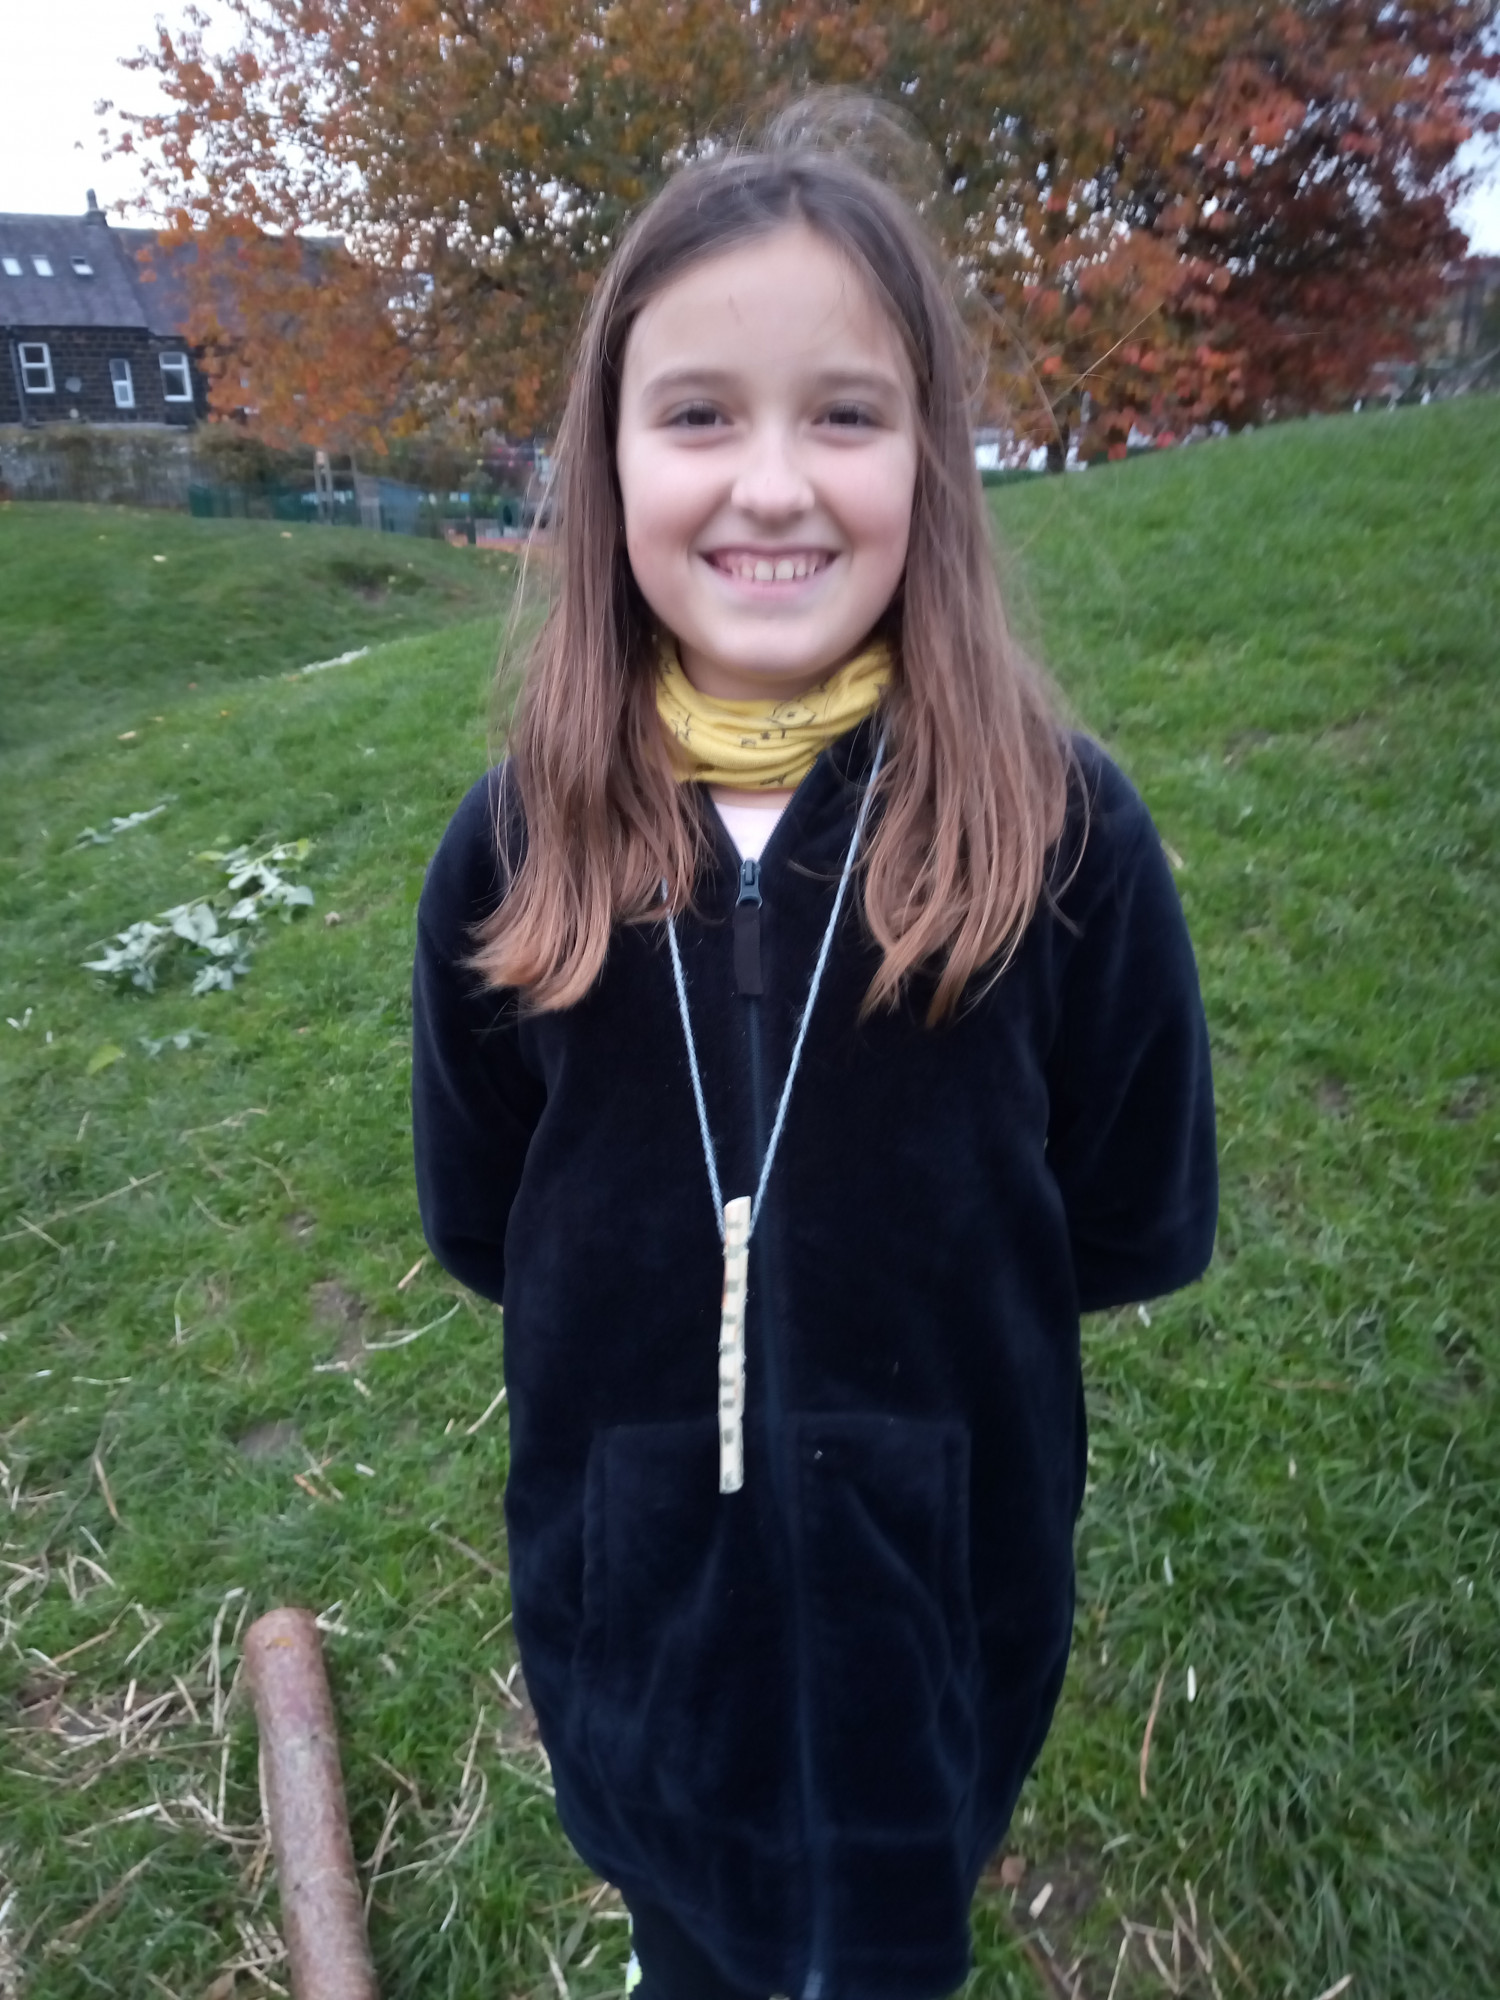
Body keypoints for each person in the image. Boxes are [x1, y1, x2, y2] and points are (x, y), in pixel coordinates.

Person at [412, 103, 1218, 2000]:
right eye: (699, 415)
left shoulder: (1063, 844)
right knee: (691, 1939)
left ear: (930, 456)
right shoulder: (513, 851)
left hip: (937, 1636)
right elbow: (484, 1223)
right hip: (637, 1646)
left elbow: (1125, 1220)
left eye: (844, 415)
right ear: (607, 459)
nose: (771, 485)